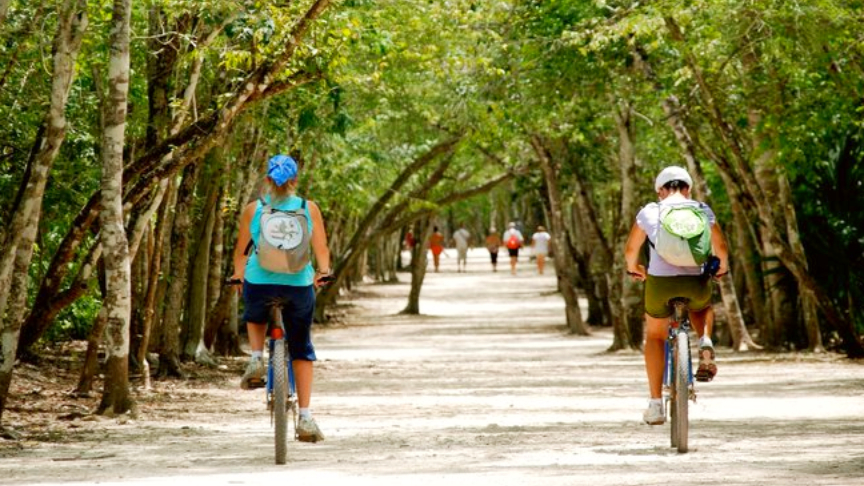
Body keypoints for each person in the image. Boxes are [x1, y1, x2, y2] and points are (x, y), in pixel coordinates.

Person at [231, 154, 332, 443]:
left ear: (267, 180)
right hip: (299, 284)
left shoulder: (255, 209)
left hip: (260, 282)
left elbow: (241, 251)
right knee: (302, 348)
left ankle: (255, 359)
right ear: (295, 180)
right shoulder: (307, 208)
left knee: (254, 309)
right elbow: (321, 248)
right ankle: (306, 418)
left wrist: (239, 276)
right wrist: (323, 273)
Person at [624, 165, 729, 426]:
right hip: (695, 282)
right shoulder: (702, 210)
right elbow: (721, 247)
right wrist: (722, 268)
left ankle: (655, 404)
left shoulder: (650, 211)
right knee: (702, 307)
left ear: (660, 191)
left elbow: (630, 249)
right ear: (688, 189)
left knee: (656, 336)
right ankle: (705, 339)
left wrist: (634, 269)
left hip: (660, 284)